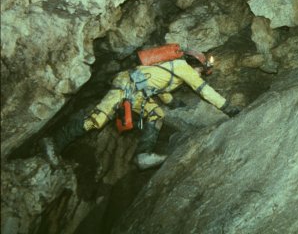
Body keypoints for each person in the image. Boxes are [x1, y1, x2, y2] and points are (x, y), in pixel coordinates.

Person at [42, 48, 241, 170]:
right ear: (196, 64)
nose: (200, 75)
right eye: (201, 71)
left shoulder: (175, 69)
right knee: (98, 119)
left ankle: (143, 155)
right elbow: (204, 90)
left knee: (156, 114)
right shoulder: (183, 68)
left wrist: (172, 102)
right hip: (127, 84)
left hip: (138, 92)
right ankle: (54, 143)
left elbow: (161, 88)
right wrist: (228, 108)